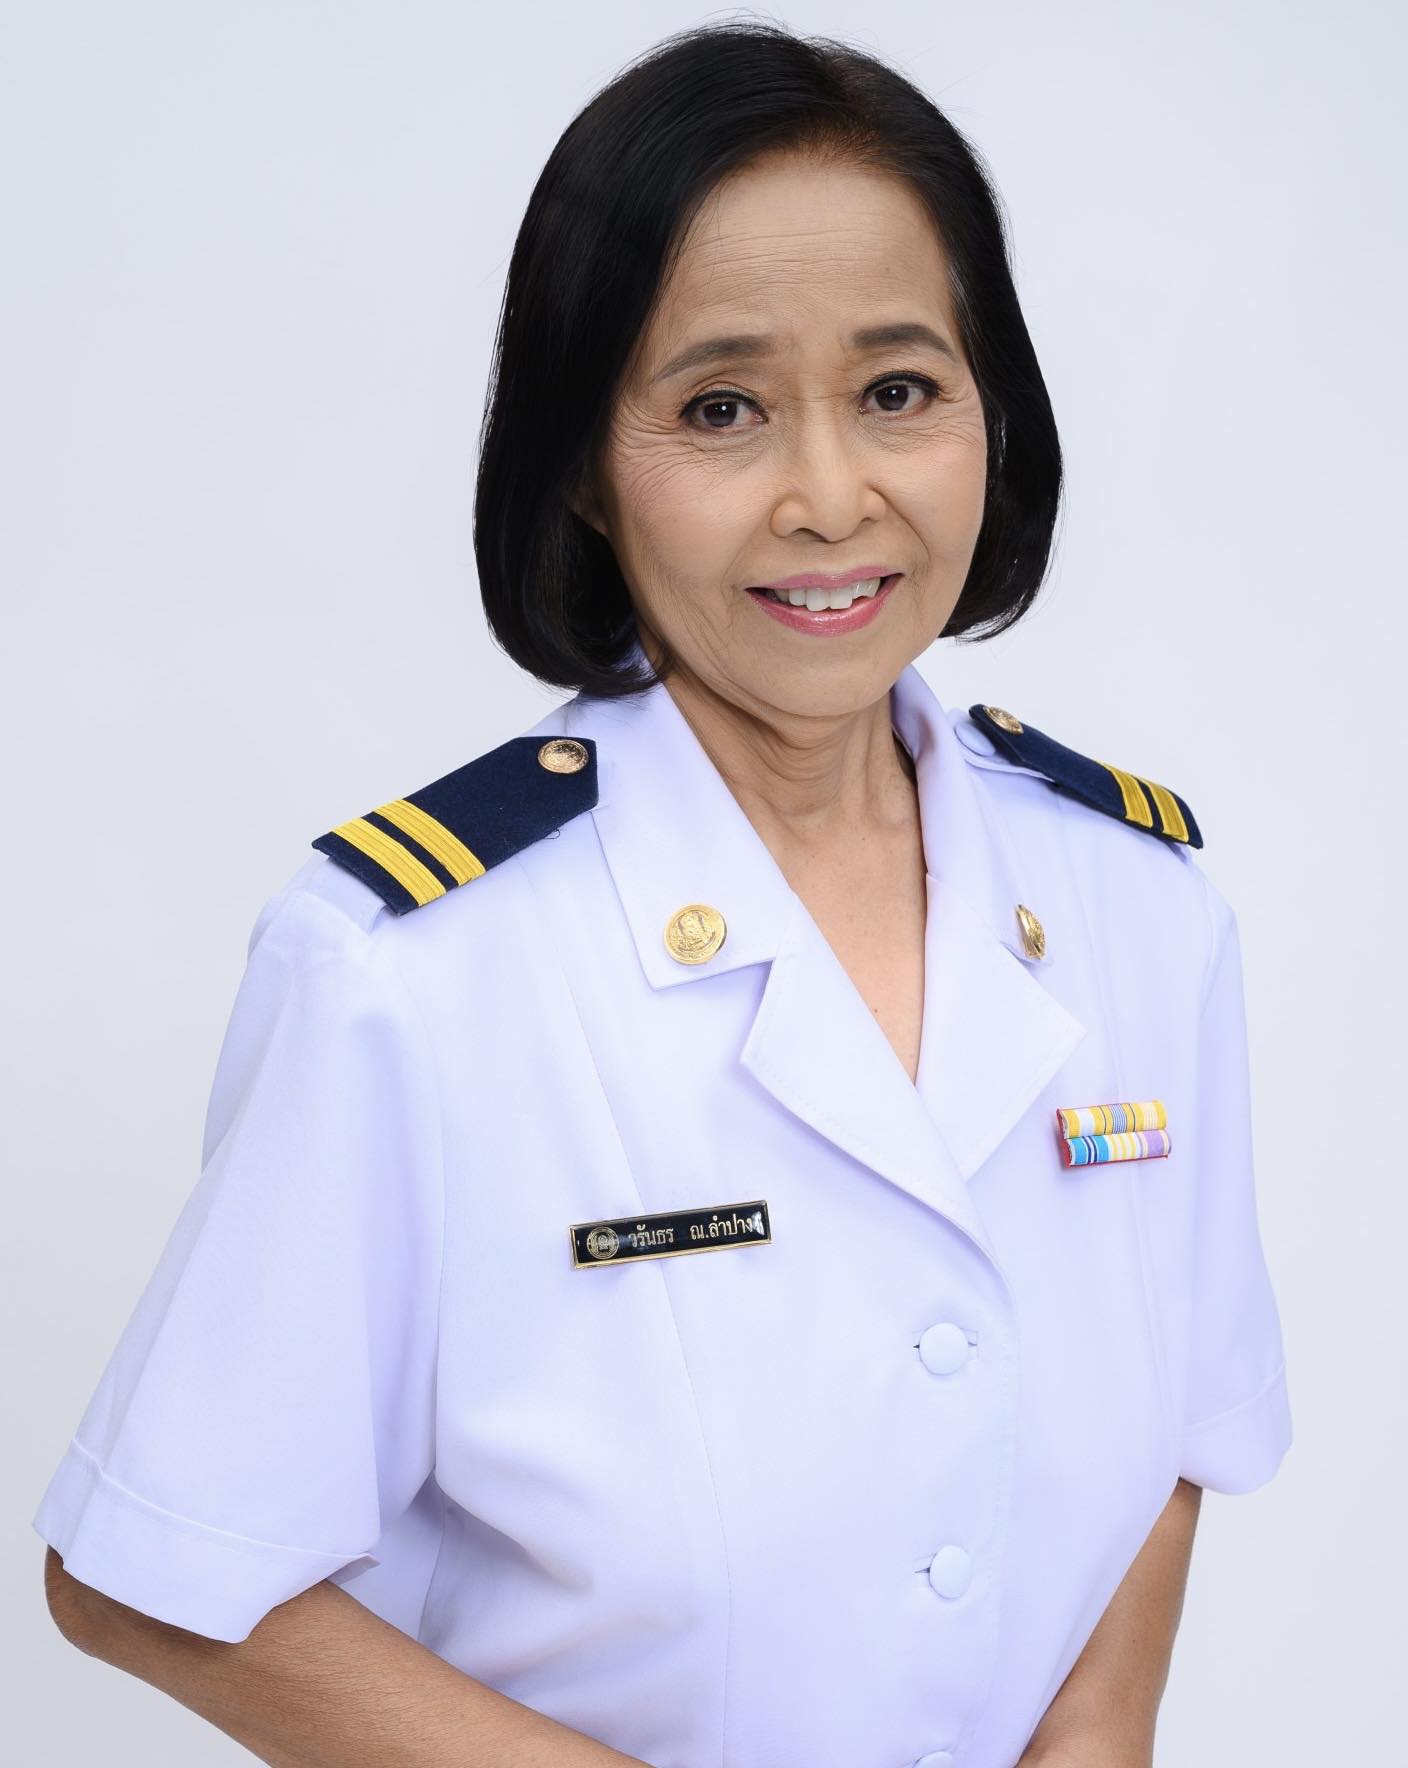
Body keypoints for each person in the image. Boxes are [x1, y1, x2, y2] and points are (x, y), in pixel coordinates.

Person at [34, 21, 1291, 1768]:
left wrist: (1098, 1737)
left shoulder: (1143, 908)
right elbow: (157, 1574)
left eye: (899, 391)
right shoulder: (410, 969)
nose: (831, 498)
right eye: (720, 410)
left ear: (991, 412)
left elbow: (1184, 1429)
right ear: (581, 461)